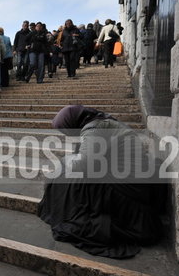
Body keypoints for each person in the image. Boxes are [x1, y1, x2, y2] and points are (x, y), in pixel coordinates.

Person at [38, 105, 166, 259]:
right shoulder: (102, 122)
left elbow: (85, 164)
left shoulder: (94, 128)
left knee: (61, 179)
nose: (67, 134)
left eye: (65, 130)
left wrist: (64, 162)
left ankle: (68, 211)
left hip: (124, 192)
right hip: (134, 189)